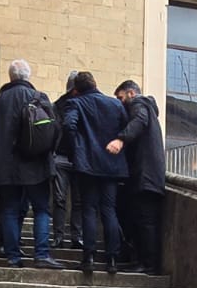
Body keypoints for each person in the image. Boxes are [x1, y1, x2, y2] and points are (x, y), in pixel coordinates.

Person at [0, 59, 62, 268]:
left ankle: (13, 256)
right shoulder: (38, 97)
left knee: (9, 209)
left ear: (10, 77)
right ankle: (42, 254)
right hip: (36, 164)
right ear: (28, 76)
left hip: (5, 166)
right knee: (42, 209)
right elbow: (54, 131)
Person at [61, 72, 128, 273]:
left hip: (88, 165)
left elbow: (68, 125)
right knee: (109, 209)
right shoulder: (115, 104)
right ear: (95, 84)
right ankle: (112, 259)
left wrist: (76, 148)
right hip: (112, 164)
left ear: (76, 89)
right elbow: (125, 128)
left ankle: (88, 257)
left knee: (89, 209)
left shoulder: (76, 103)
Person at [114, 80, 167, 273]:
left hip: (146, 177)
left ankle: (149, 264)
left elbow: (139, 121)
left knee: (146, 222)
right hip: (148, 176)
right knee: (140, 220)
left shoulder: (139, 104)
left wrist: (121, 138)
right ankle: (142, 261)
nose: (120, 103)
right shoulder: (146, 108)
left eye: (120, 98)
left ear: (130, 93)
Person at [51, 72, 82, 247]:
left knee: (77, 200)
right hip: (63, 155)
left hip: (76, 157)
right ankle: (60, 235)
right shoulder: (58, 106)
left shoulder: (81, 104)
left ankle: (76, 236)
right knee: (60, 198)